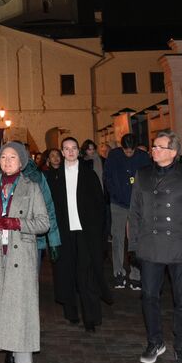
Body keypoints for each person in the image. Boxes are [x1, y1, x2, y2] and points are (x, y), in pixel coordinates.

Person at [129, 130, 182, 363]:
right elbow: (134, 213)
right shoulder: (142, 175)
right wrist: (133, 245)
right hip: (150, 245)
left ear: (173, 152)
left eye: (159, 147)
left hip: (180, 246)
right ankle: (155, 342)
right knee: (149, 296)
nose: (154, 150)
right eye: (153, 146)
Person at [0, 142, 51, 363]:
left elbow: (43, 223)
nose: (7, 161)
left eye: (12, 157)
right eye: (3, 157)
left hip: (21, 255)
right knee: (0, 306)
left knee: (20, 309)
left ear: (22, 161)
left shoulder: (32, 187)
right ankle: (7, 347)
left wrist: (18, 223)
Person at [47, 136, 107, 331]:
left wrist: (99, 233)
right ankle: (71, 312)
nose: (70, 151)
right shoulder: (54, 177)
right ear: (62, 152)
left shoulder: (89, 174)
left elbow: (99, 205)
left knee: (86, 275)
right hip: (64, 233)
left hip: (85, 233)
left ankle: (91, 317)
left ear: (78, 151)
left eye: (73, 148)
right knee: (67, 273)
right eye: (66, 148)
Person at [103, 133, 152, 290]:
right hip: (118, 203)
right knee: (117, 238)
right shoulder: (114, 156)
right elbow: (107, 177)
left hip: (137, 204)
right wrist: (114, 193)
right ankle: (118, 272)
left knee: (135, 238)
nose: (129, 153)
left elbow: (149, 178)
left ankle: (136, 274)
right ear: (122, 147)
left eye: (131, 151)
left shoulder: (143, 157)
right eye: (126, 151)